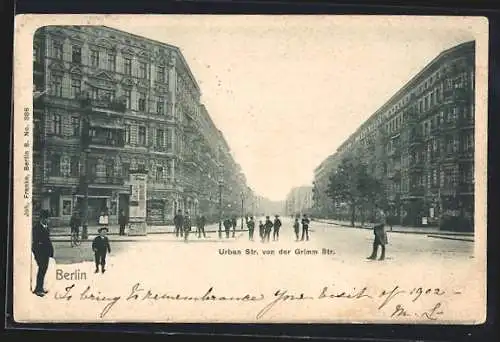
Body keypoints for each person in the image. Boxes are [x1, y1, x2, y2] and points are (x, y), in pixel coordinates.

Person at [32, 209, 54, 297]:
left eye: (48, 218)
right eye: (46, 218)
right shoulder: (36, 228)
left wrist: (51, 251)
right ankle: (38, 289)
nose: (48, 220)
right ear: (42, 218)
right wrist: (39, 250)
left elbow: (48, 240)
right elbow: (36, 241)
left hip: (46, 252)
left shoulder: (46, 227)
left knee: (44, 270)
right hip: (40, 252)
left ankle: (41, 287)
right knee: (41, 270)